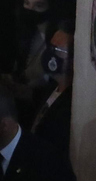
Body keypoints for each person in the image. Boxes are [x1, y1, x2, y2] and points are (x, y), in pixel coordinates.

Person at [11, 0, 73, 120]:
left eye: (39, 6)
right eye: (26, 3)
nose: (30, 10)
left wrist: (31, 93)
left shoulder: (58, 37)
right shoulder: (23, 30)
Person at [28, 30, 75, 159]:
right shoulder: (52, 88)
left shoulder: (70, 104)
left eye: (56, 49)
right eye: (50, 47)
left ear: (72, 60)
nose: (49, 54)